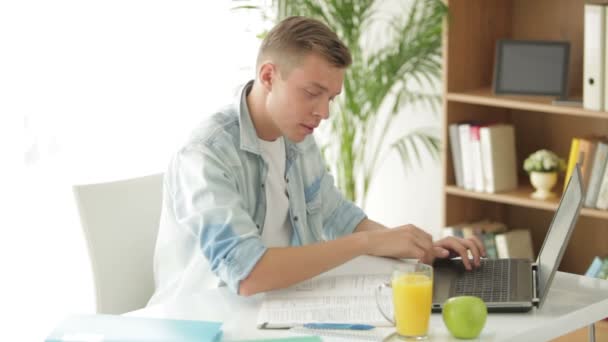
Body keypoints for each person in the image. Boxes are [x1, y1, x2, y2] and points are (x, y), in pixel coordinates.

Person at [148, 16, 484, 305]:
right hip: (206, 320)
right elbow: (246, 273)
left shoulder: (297, 138)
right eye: (311, 93)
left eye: (331, 98)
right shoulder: (206, 154)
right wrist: (368, 243)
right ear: (268, 77)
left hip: (278, 309)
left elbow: (338, 216)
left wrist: (418, 249)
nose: (323, 112)